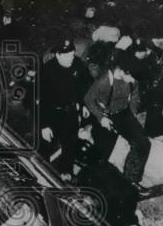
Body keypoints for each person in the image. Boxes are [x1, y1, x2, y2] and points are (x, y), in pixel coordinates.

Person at [84, 54, 150, 185]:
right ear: (122, 71)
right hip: (106, 116)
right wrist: (101, 118)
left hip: (124, 114)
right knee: (103, 155)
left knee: (143, 144)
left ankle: (131, 181)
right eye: (130, 77)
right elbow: (88, 99)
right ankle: (98, 184)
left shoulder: (133, 79)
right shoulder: (104, 80)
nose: (132, 81)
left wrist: (133, 117)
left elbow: (135, 97)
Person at [37, 40, 92, 180]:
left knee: (70, 144)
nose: (71, 59)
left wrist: (84, 104)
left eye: (72, 55)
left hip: (71, 112)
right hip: (52, 114)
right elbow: (40, 101)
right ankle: (40, 174)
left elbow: (86, 85)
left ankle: (66, 173)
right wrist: (44, 125)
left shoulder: (78, 64)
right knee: (45, 145)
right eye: (67, 56)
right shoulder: (47, 71)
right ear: (58, 55)